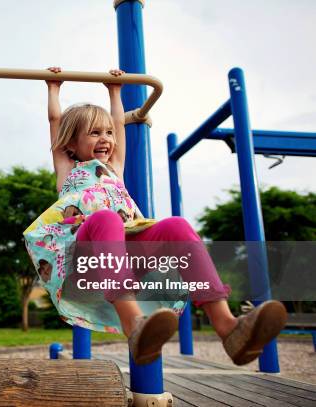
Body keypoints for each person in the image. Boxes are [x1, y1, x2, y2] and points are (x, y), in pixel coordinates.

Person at [23, 66, 288, 365]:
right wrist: (53, 87)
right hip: (82, 263)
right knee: (107, 220)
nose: (106, 139)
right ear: (70, 144)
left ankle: (228, 327)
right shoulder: (67, 170)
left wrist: (115, 91)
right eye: (95, 133)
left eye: (108, 133)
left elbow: (120, 126)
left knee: (176, 226)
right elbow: (56, 121)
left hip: (123, 261)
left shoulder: (115, 168)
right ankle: (133, 323)